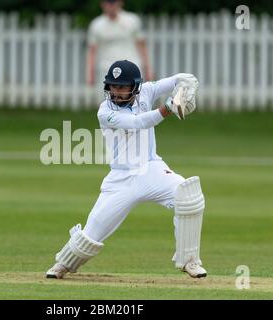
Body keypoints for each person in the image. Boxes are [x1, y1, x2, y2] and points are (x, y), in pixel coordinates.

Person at [46, 60, 207, 279]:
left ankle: (190, 262)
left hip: (152, 169)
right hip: (121, 178)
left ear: (135, 86)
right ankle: (63, 264)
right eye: (113, 86)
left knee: (188, 196)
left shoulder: (147, 92)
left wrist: (185, 93)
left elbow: (184, 78)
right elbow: (137, 122)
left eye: (122, 87)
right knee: (91, 233)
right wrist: (168, 108)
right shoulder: (105, 112)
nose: (117, 92)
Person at [86, 0, 153, 88]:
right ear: (102, 4)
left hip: (132, 67)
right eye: (108, 2)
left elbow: (142, 46)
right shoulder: (97, 24)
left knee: (135, 98)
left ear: (120, 2)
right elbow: (92, 51)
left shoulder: (132, 20)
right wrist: (90, 74)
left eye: (113, 2)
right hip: (106, 69)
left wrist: (148, 70)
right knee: (108, 100)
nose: (111, 5)